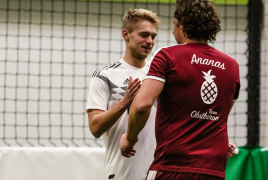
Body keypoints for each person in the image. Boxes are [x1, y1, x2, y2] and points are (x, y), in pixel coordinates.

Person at [119, 0, 240, 180]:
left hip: (172, 167)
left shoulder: (167, 56)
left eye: (174, 25)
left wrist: (129, 140)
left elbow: (142, 105)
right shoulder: (231, 66)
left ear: (182, 26)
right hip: (213, 170)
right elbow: (220, 116)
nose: (173, 31)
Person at [86, 9, 160, 180]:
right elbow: (95, 128)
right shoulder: (105, 76)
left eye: (153, 36)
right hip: (121, 172)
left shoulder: (158, 76)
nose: (149, 41)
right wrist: (124, 102)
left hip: (159, 172)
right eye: (144, 35)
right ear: (126, 35)